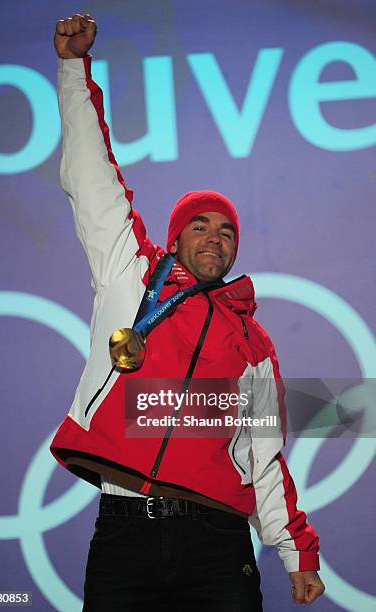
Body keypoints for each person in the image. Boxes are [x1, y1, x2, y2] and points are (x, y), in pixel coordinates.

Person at [51, 13, 325, 611]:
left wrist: (295, 549)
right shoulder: (130, 274)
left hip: (217, 541)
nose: (214, 237)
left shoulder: (253, 342)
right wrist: (74, 72)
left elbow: (263, 455)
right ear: (174, 239)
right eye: (199, 225)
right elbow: (92, 175)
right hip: (125, 531)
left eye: (227, 231)